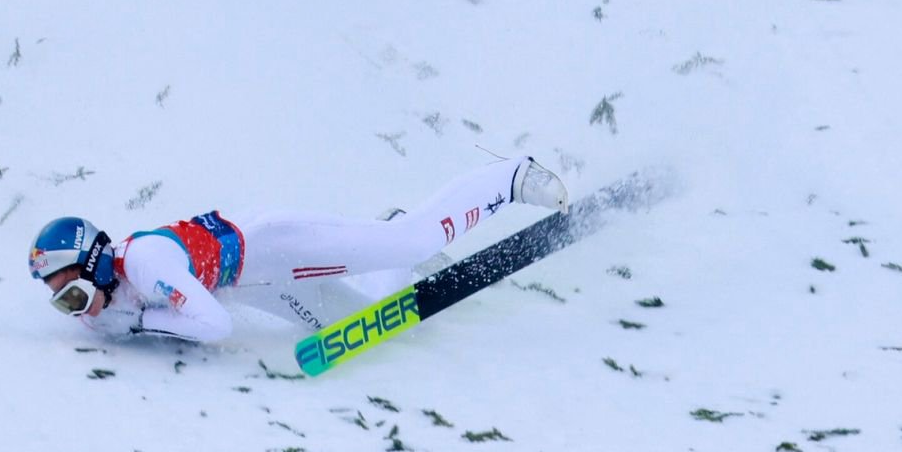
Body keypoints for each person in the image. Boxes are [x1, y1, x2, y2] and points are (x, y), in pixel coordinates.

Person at [28, 156, 568, 342]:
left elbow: (214, 326)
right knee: (370, 322)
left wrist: (143, 324)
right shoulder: (107, 295)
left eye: (73, 293)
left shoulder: (146, 264)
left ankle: (511, 177)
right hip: (253, 281)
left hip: (271, 244)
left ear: (94, 265)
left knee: (416, 238)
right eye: (63, 303)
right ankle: (390, 241)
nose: (77, 309)